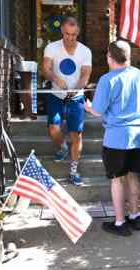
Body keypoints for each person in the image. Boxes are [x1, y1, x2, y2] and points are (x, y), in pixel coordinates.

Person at [85, 41, 140, 236]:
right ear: (129, 57)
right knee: (133, 176)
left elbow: (97, 110)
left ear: (109, 57)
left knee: (117, 180)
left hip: (117, 137)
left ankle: (120, 223)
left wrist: (87, 106)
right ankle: (135, 217)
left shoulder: (107, 79)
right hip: (138, 136)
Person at [42, 16, 92, 186]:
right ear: (62, 32)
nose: (70, 38)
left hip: (76, 96)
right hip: (56, 94)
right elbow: (46, 68)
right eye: (67, 34)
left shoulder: (85, 51)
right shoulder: (51, 47)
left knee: (76, 134)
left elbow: (85, 75)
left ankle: (74, 170)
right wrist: (56, 79)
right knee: (53, 128)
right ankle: (62, 147)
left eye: (73, 35)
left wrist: (76, 88)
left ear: (77, 33)